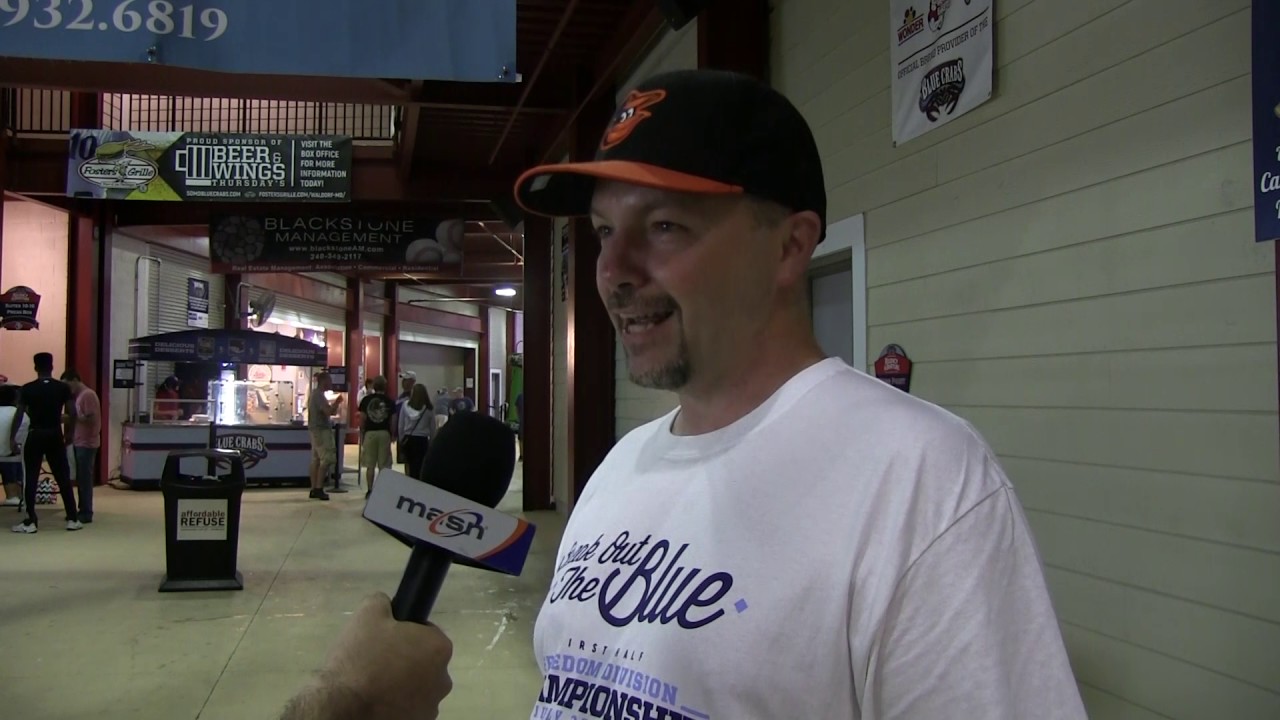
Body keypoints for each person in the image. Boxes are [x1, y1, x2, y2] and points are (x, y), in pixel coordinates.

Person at [279, 69, 1088, 719]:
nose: (613, 270)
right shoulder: (621, 469)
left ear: (790, 247)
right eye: (604, 231)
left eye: (664, 226)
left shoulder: (921, 478)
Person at [12, 353, 79, 533]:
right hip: (55, 434)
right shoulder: (63, 388)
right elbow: (73, 412)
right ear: (52, 367)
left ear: (35, 368)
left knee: (31, 477)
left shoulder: (27, 389)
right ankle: (72, 518)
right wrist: (70, 434)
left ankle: (31, 521)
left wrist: (12, 438)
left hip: (35, 434)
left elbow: (19, 414)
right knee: (63, 476)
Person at [60, 370, 100, 523]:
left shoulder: (88, 395)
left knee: (85, 479)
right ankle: (82, 508)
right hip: (80, 441)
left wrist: (72, 418)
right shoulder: (80, 396)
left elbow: (91, 419)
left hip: (87, 443)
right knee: (81, 478)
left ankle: (86, 511)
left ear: (74, 380)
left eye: (67, 384)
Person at [307, 371, 343, 501]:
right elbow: (328, 412)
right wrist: (337, 403)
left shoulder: (315, 395)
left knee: (316, 459)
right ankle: (319, 488)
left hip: (315, 430)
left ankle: (314, 488)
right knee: (326, 459)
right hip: (321, 431)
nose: (331, 383)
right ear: (323, 381)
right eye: (329, 381)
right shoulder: (319, 396)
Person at [357, 376, 394, 496]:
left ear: (374, 386)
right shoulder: (389, 401)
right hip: (384, 433)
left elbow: (362, 419)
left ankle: (369, 490)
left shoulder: (366, 400)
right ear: (385, 386)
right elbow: (393, 420)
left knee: (370, 465)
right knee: (384, 465)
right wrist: (393, 434)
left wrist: (362, 433)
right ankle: (382, 491)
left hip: (370, 433)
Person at [395, 383, 435, 480]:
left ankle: (409, 481)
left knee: (409, 463)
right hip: (422, 440)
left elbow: (401, 425)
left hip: (409, 438)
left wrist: (401, 439)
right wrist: (431, 441)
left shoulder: (405, 406)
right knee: (420, 464)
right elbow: (432, 427)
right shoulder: (429, 408)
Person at [0, 384, 28, 507]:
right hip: (14, 456)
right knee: (16, 455)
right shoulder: (20, 414)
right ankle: (16, 494)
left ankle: (13, 494)